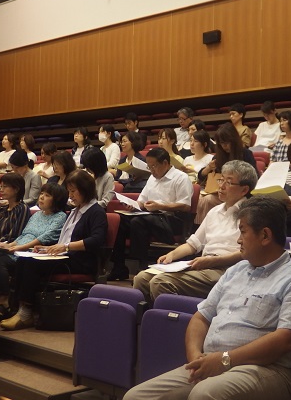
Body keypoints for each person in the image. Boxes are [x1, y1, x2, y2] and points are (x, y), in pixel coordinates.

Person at [123, 197, 291, 400]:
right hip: (213, 362)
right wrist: (195, 357)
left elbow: (286, 340)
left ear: (265, 235)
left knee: (204, 394)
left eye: (243, 232)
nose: (238, 240)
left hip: (269, 369)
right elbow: (201, 317)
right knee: (136, 397)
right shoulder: (235, 271)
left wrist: (225, 360)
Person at [133, 160, 257, 303]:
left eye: (228, 182)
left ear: (244, 190)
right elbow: (193, 244)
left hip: (229, 269)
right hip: (205, 264)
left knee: (161, 282)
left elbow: (247, 253)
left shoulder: (251, 215)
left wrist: (212, 261)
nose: (221, 186)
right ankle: (150, 316)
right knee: (142, 278)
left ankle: (179, 317)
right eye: (221, 179)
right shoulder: (215, 211)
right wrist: (171, 255)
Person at [1, 170, 107, 330]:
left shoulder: (96, 212)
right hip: (66, 255)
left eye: (73, 191)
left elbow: (96, 240)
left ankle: (26, 313)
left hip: (80, 260)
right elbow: (64, 240)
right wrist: (47, 248)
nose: (70, 195)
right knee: (24, 259)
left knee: (31, 264)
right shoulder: (75, 211)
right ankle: (19, 308)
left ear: (85, 190)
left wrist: (66, 246)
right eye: (69, 191)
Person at [0, 184, 68, 322]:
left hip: (30, 251)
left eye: (47, 195)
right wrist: (9, 245)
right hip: (18, 247)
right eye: (42, 193)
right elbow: (24, 234)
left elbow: (44, 238)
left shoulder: (60, 217)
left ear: (57, 200)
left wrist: (18, 248)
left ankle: (4, 303)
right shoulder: (36, 215)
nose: (41, 197)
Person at [110, 148, 193, 280]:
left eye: (154, 166)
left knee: (138, 222)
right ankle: (118, 267)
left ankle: (142, 266)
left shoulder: (181, 178)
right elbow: (142, 201)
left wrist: (160, 206)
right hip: (149, 216)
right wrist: (133, 206)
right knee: (120, 221)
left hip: (172, 220)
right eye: (149, 167)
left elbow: (185, 206)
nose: (151, 170)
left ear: (165, 163)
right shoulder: (152, 178)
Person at [196, 123, 257, 224]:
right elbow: (201, 176)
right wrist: (209, 168)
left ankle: (202, 227)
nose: (224, 146)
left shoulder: (246, 154)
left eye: (227, 142)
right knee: (200, 198)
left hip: (238, 193)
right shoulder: (218, 157)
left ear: (233, 140)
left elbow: (254, 178)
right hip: (220, 192)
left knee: (207, 199)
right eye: (221, 143)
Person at [0, 172, 30, 245]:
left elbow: (15, 235)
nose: (1, 190)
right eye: (1, 187)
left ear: (16, 189)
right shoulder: (2, 209)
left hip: (6, 246)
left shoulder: (22, 208)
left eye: (5, 186)